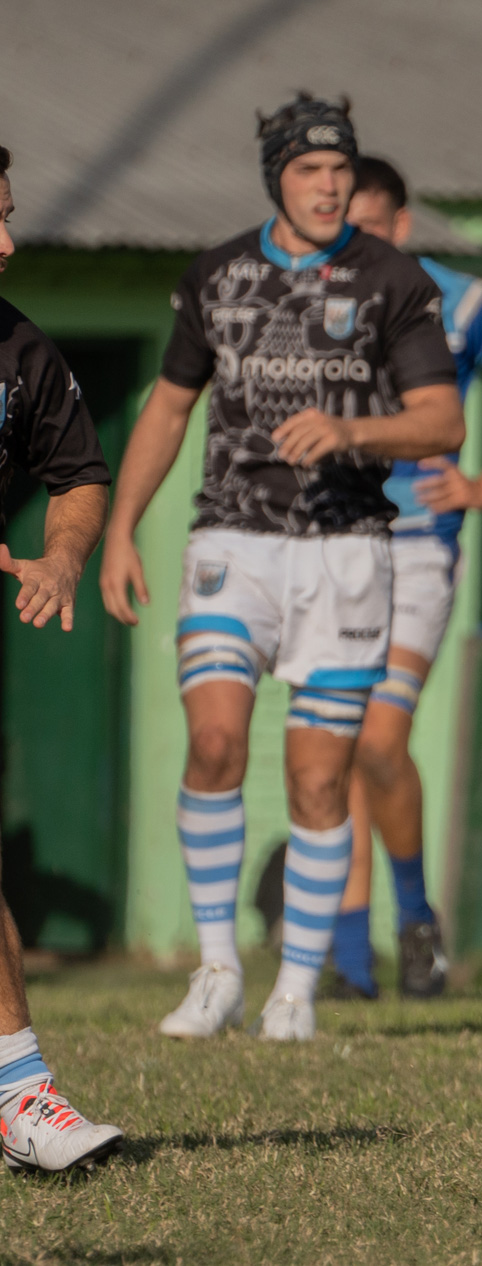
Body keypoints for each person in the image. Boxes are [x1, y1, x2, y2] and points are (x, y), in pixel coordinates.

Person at [99, 95, 463, 1042]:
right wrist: (122, 527)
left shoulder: (394, 279)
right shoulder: (217, 275)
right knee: (216, 743)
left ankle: (295, 988)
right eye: (309, 170)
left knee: (316, 777)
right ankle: (217, 967)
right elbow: (170, 409)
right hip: (232, 542)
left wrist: (353, 430)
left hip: (348, 552)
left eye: (341, 169)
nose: (330, 185)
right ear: (276, 179)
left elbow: (443, 422)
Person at [322, 156, 482, 1000]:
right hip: (333, 540)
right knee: (340, 741)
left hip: (419, 544)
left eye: (363, 223)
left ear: (399, 224)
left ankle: (415, 921)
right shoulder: (312, 301)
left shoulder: (457, 301)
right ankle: (352, 964)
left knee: (379, 740)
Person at [0, 145, 125, 1173]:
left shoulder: (20, 354)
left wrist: (63, 556)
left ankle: (17, 1092)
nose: (5, 243)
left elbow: (80, 473)